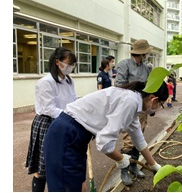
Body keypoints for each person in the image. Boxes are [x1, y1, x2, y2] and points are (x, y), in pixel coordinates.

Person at [43, 81, 169, 192]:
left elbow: (138, 139)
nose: (157, 109)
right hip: (66, 136)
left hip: (73, 135)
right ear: (153, 99)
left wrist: (153, 165)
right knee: (66, 188)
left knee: (79, 186)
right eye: (160, 105)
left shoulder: (133, 101)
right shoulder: (129, 102)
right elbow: (104, 143)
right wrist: (120, 159)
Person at [25, 47, 77, 192]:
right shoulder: (46, 82)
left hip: (65, 122)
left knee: (59, 164)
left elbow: (73, 101)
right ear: (57, 62)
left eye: (73, 63)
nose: (71, 66)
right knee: (42, 168)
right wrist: (71, 118)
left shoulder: (69, 81)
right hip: (47, 124)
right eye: (69, 63)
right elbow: (49, 109)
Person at [115, 39, 152, 185]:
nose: (146, 55)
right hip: (128, 107)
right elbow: (119, 85)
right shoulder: (125, 65)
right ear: (141, 53)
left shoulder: (146, 67)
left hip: (141, 108)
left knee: (139, 137)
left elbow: (149, 85)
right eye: (145, 53)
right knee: (128, 141)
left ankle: (133, 166)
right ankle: (123, 171)